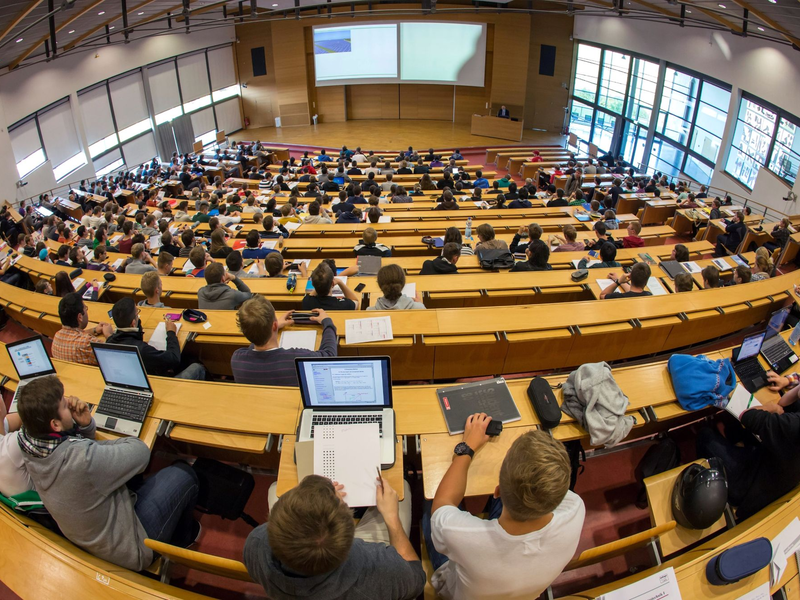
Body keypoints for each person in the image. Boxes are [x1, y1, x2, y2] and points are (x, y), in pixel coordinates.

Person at [17, 375, 200, 571]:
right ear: (55, 425)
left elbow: (81, 456)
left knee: (130, 473)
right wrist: (99, 446)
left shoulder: (28, 441)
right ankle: (182, 539)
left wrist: (85, 426)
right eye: (64, 404)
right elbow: (141, 452)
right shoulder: (82, 459)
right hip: (131, 547)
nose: (70, 402)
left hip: (93, 535)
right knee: (184, 473)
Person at [424, 420, 585, 600]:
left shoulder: (457, 534)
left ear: (498, 491)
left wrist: (467, 447)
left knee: (429, 502)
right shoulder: (576, 509)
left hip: (456, 589)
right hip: (524, 592)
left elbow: (442, 503)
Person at [244, 472, 423, 600]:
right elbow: (416, 578)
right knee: (402, 488)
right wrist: (392, 518)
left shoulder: (256, 544)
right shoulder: (378, 569)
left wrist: (314, 500)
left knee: (275, 488)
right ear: (349, 538)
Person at [697, 381, 800, 521]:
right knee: (735, 426)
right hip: (771, 467)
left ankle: (705, 472)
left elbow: (747, 416)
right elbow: (785, 403)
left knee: (705, 436)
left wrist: (769, 407)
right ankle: (735, 443)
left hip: (747, 486)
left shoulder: (794, 425)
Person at [231, 296, 337, 387]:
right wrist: (327, 322)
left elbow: (255, 339)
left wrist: (268, 328)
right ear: (274, 325)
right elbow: (329, 354)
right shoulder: (297, 360)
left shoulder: (237, 359)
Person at [107, 298, 205, 379]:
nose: (138, 316)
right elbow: (174, 359)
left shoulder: (110, 341)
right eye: (137, 314)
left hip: (135, 376)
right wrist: (171, 332)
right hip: (157, 382)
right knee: (197, 367)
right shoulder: (142, 350)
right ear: (133, 323)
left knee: (187, 358)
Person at [51, 293, 113, 366]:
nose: (86, 310)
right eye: (85, 308)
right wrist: (109, 335)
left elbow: (73, 335)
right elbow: (115, 356)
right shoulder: (87, 343)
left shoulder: (57, 336)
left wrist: (94, 330)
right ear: (80, 317)